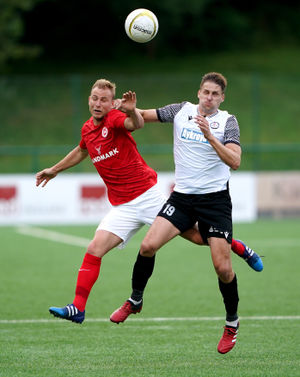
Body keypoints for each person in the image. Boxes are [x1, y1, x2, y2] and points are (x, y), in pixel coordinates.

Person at [36, 78, 262, 328]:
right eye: (94, 98)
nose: (97, 103)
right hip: (122, 205)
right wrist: (54, 169)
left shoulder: (115, 119)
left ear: (112, 104)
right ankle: (78, 308)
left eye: (103, 100)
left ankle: (237, 246)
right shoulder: (88, 128)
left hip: (148, 196)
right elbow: (82, 150)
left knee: (200, 238)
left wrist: (130, 110)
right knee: (95, 248)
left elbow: (136, 122)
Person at [110, 72, 255, 354]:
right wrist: (127, 109)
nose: (209, 97)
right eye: (205, 92)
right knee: (148, 245)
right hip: (183, 198)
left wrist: (210, 137)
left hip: (215, 202)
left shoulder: (227, 121)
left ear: (222, 98)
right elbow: (141, 117)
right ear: (198, 92)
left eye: (215, 94)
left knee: (223, 269)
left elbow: (235, 161)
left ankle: (231, 324)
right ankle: (135, 300)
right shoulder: (181, 111)